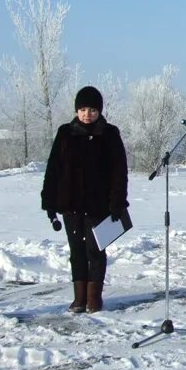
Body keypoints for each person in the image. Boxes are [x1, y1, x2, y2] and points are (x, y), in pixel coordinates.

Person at [41, 86, 128, 313]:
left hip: (99, 206)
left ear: (99, 110)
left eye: (91, 109)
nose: (86, 114)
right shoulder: (65, 133)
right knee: (76, 252)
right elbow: (53, 169)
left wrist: (117, 202)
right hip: (71, 205)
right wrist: (49, 201)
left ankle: (94, 299)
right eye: (82, 109)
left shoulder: (109, 134)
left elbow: (119, 171)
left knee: (95, 251)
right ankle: (79, 298)